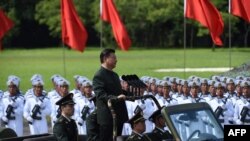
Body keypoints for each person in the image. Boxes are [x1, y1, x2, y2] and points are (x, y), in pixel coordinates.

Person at [92, 48, 128, 141]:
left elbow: (118, 92)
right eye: (114, 57)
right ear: (105, 59)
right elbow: (101, 95)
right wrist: (116, 98)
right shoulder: (99, 75)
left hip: (118, 116)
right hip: (108, 118)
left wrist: (129, 92)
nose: (116, 60)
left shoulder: (114, 75)